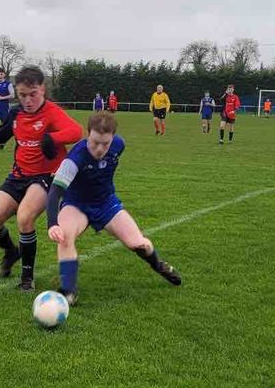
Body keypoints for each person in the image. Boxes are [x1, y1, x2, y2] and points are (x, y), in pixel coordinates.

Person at [46, 112, 182, 305]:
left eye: (105, 144)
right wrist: (53, 224)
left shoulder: (119, 145)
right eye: (95, 142)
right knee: (65, 237)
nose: (100, 149)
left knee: (139, 244)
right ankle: (68, 291)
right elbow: (54, 193)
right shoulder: (75, 158)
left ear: (113, 138)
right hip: (76, 204)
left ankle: (159, 265)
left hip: (106, 203)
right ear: (88, 134)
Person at [0, 66, 84, 291]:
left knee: (25, 217)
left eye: (33, 94)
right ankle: (11, 252)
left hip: (46, 176)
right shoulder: (16, 113)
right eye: (23, 95)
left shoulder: (51, 111)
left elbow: (76, 131)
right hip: (18, 175)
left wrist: (53, 138)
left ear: (42, 89)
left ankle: (27, 279)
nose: (28, 100)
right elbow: (5, 132)